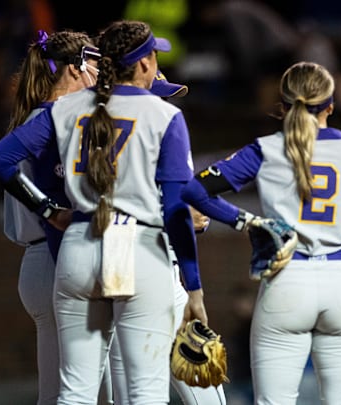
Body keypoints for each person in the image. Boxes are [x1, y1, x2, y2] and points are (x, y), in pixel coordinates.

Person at [181, 61, 341, 404]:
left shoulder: (266, 148)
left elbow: (194, 191)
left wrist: (246, 221)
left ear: (282, 105)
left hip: (287, 279)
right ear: (331, 105)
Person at [0, 20, 208, 404]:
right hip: (122, 243)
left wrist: (49, 210)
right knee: (141, 390)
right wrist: (194, 284)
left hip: (69, 249)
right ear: (142, 65)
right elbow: (169, 204)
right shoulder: (153, 114)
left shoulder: (57, 112)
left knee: (70, 394)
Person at [108, 71, 226, 405]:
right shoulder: (159, 128)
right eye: (159, 95)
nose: (164, 102)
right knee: (202, 396)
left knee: (132, 395)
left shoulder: (97, 127)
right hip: (155, 262)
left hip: (114, 260)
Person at [0, 28, 102, 405]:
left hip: (36, 261)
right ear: (74, 68)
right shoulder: (55, 121)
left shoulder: (30, 119)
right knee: (84, 391)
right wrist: (47, 208)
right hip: (60, 253)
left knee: (56, 394)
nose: (98, 72)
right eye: (92, 63)